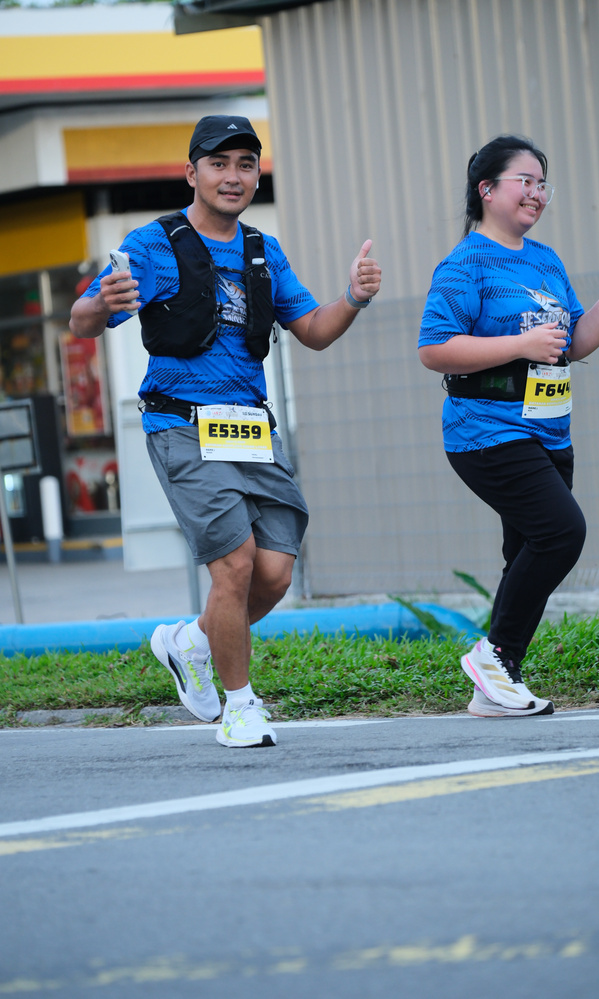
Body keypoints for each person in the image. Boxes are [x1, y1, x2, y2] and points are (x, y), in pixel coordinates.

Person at [70, 114, 381, 747]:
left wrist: (353, 296)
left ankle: (190, 642)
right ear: (192, 173)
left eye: (245, 164)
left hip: (249, 429)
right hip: (180, 424)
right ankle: (239, 707)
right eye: (218, 163)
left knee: (274, 573)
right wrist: (102, 303)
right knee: (234, 565)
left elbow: (314, 331)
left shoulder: (264, 250)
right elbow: (81, 319)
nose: (233, 176)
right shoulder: (153, 244)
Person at [418, 134, 599, 718]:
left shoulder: (545, 259)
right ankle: (494, 656)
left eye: (543, 184)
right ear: (487, 190)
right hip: (486, 429)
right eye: (525, 181)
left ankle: (495, 686)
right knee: (561, 533)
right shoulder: (465, 263)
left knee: (525, 551)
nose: (537, 193)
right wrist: (519, 344)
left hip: (549, 430)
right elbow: (434, 348)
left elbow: (572, 343)